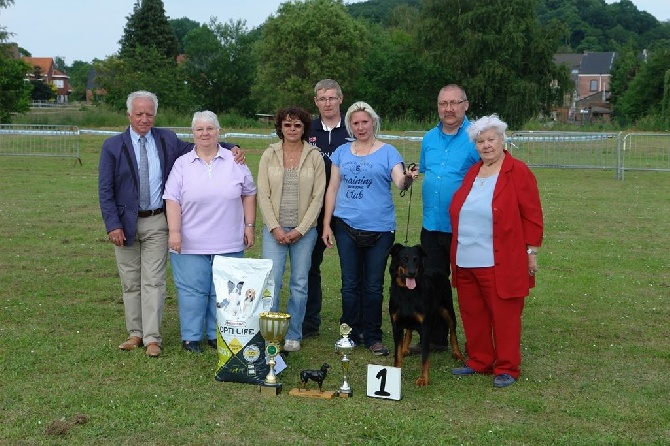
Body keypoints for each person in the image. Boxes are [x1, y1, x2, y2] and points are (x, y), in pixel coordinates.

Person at [98, 91, 243, 358]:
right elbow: (105, 190)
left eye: (149, 114)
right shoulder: (112, 146)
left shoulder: (166, 139)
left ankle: (153, 337)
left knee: (154, 281)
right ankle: (135, 333)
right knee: (130, 282)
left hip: (156, 221)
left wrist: (231, 146)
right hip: (125, 225)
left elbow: (199, 144)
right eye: (139, 114)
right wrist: (112, 225)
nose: (144, 119)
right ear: (129, 114)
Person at [449, 114, 543, 388]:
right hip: (466, 258)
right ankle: (479, 360)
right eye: (480, 141)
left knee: (505, 315)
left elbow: (533, 215)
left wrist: (531, 251)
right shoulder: (473, 173)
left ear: (502, 140)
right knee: (472, 313)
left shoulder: (518, 171)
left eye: (491, 139)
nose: (486, 145)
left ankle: (506, 367)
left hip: (499, 260)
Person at [322, 101, 417, 356]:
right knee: (350, 283)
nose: (360, 127)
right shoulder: (341, 152)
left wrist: (407, 178)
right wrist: (326, 224)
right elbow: (332, 188)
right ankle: (349, 332)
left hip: (380, 229)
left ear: (373, 122)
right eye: (355, 123)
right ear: (349, 126)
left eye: (365, 122)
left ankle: (373, 335)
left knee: (373, 285)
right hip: (345, 225)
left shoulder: (388, 152)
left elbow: (399, 181)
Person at [163, 111, 257, 353]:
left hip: (229, 240)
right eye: (199, 129)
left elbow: (249, 192)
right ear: (192, 134)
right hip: (190, 242)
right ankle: (191, 338)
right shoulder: (182, 163)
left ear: (219, 131)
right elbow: (172, 198)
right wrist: (174, 232)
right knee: (192, 291)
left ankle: (218, 335)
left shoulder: (235, 161)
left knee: (224, 292)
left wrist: (249, 226)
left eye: (210, 129)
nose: (205, 133)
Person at [415, 84, 480, 352]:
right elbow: (423, 171)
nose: (449, 109)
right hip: (432, 225)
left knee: (469, 286)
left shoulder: (478, 136)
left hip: (466, 226)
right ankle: (435, 339)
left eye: (454, 103)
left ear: (466, 104)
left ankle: (477, 344)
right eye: (443, 104)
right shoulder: (429, 138)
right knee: (431, 284)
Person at [257, 107, 326, 352]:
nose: (292, 129)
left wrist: (301, 229)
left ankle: (293, 334)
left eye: (297, 125)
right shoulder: (269, 154)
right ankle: (272, 334)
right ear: (280, 128)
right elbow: (263, 194)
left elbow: (318, 198)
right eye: (288, 125)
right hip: (274, 230)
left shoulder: (315, 156)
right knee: (272, 282)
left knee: (299, 283)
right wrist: (275, 227)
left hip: (304, 233)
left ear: (304, 128)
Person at [303, 79, 350, 338]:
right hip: (313, 208)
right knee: (310, 266)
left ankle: (354, 324)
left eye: (332, 98)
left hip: (348, 208)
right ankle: (309, 322)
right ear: (316, 102)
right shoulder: (306, 128)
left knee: (351, 269)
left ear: (341, 99)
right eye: (322, 99)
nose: (327, 103)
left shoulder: (354, 125)